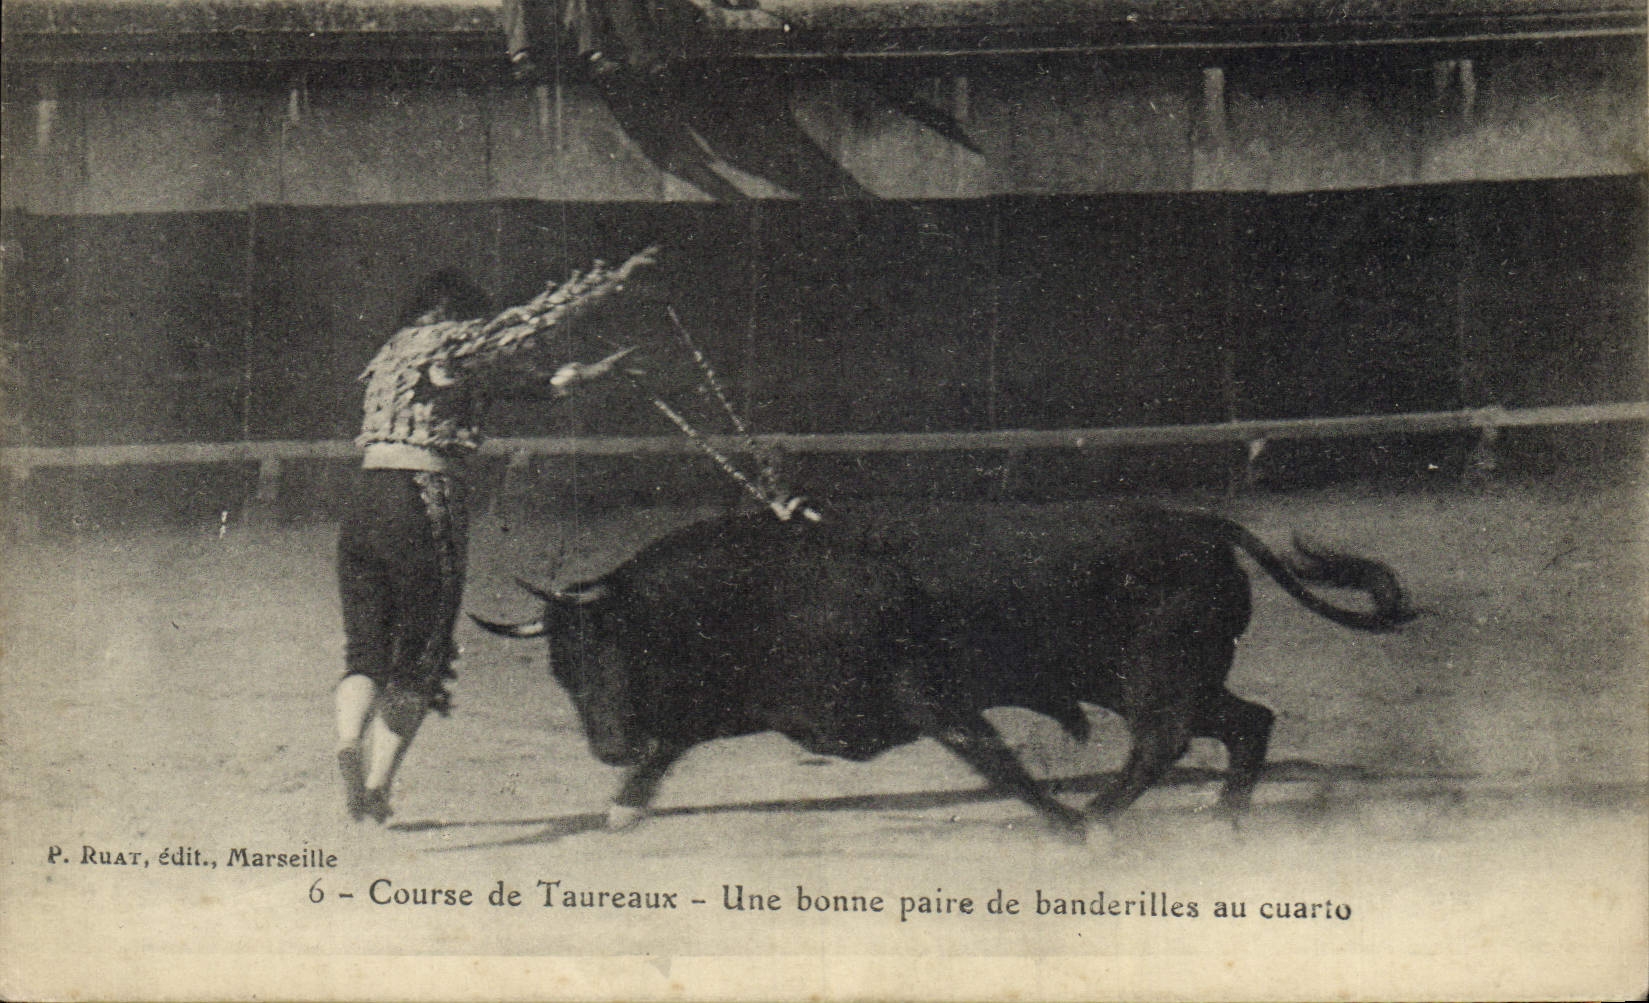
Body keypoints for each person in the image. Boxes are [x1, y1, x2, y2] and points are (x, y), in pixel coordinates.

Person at [334, 247, 656, 824]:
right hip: (421, 499)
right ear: (453, 311)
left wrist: (590, 375)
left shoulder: (392, 354)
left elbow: (528, 383)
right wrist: (612, 282)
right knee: (420, 659)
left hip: (362, 501)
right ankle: (378, 785)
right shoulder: (452, 342)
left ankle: (346, 741)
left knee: (364, 652)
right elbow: (525, 325)